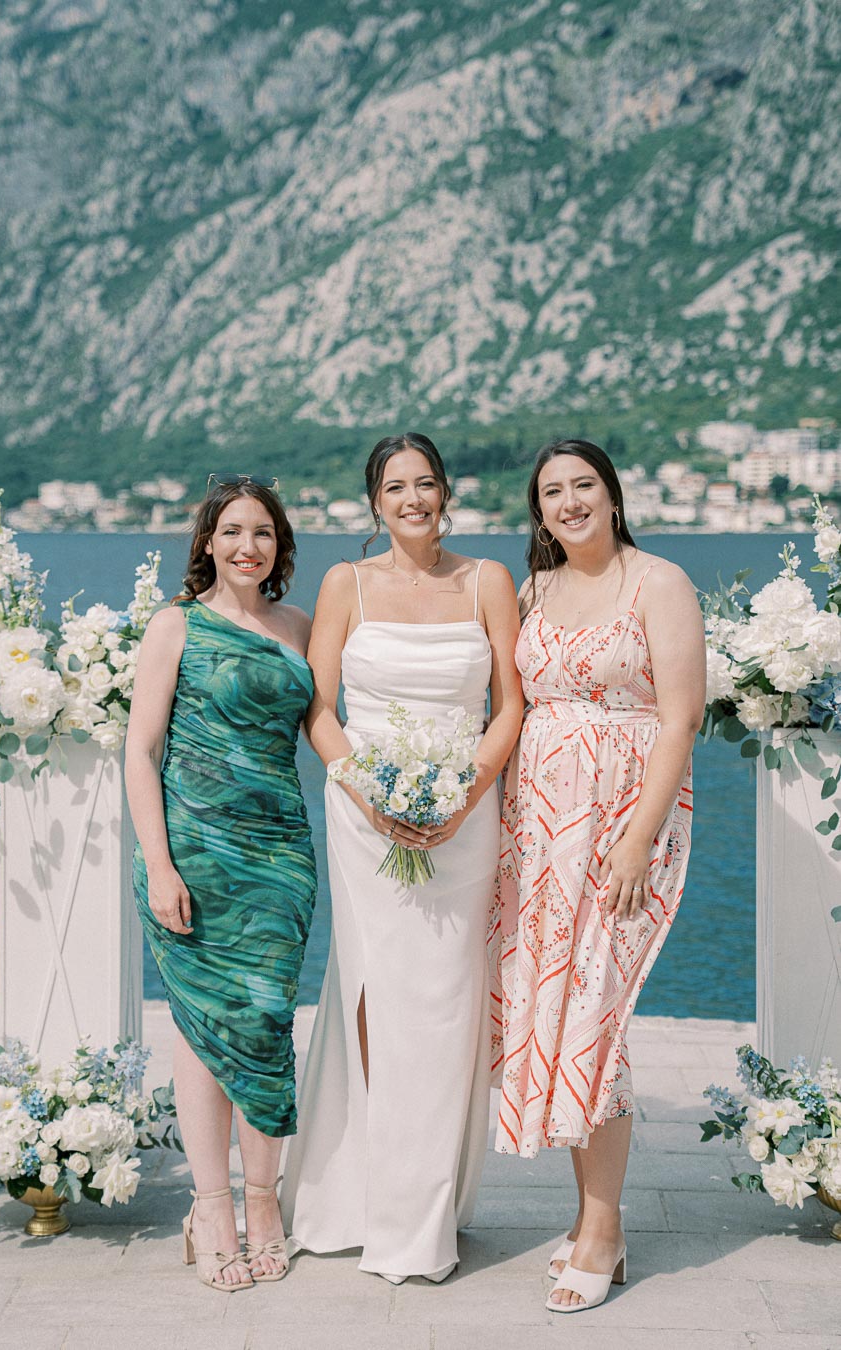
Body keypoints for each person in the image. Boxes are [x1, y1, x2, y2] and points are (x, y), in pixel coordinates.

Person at [280, 432, 523, 1283]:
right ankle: (364, 1193)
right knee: (372, 995)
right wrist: (366, 790)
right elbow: (317, 707)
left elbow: (510, 704)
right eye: (396, 486)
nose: (413, 498)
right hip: (363, 817)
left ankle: (427, 1211)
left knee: (448, 1005)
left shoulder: (488, 580)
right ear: (374, 502)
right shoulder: (344, 584)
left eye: (426, 483)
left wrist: (464, 793)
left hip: (465, 816)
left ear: (446, 491)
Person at [488, 438, 705, 1313]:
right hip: (538, 836)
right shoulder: (534, 590)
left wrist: (633, 839)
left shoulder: (661, 582)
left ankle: (606, 1227)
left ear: (613, 496)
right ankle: (588, 1218)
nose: (570, 501)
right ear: (538, 511)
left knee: (599, 1015)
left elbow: (682, 715)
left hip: (622, 828)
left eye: (585, 485)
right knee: (558, 1010)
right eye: (553, 491)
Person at [125, 474, 316, 1292]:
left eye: (264, 534)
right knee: (204, 1035)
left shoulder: (302, 627)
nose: (248, 546)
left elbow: (338, 725)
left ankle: (264, 1202)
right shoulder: (176, 626)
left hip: (280, 857)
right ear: (207, 541)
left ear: (280, 548)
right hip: (194, 856)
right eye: (233, 531)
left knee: (268, 1024)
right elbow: (141, 751)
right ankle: (211, 1209)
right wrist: (160, 864)